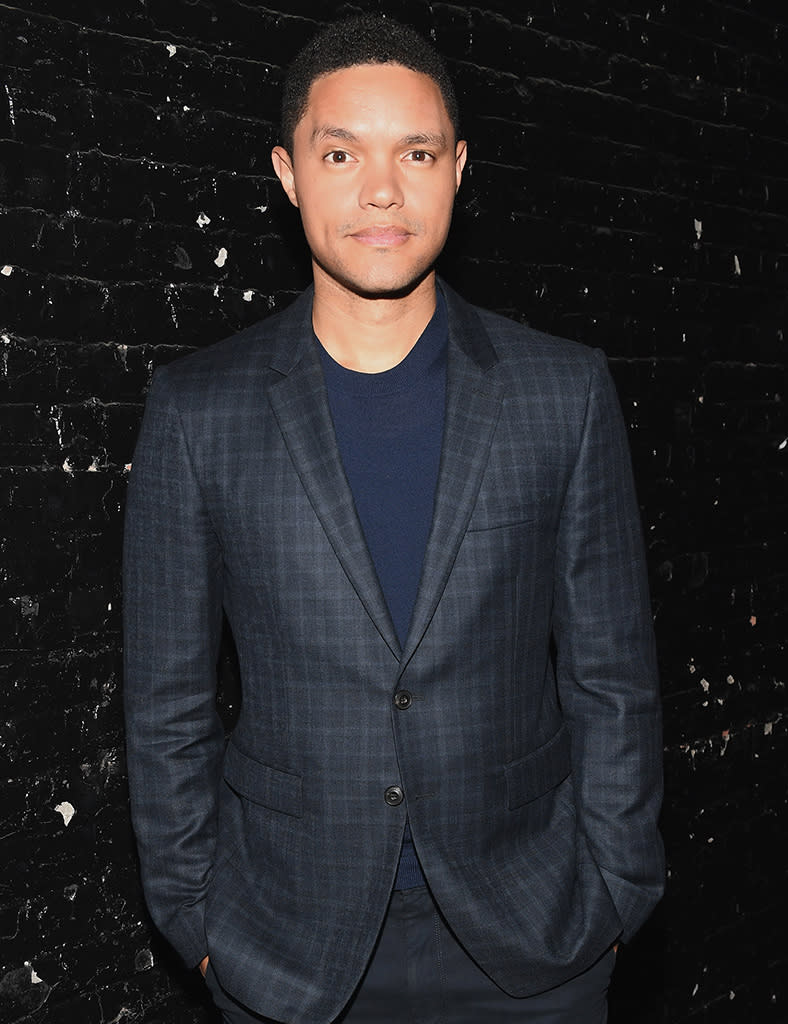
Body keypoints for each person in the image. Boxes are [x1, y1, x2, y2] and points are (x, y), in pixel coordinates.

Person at [123, 14, 664, 1024]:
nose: (381, 189)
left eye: (414, 152)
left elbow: (611, 678)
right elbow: (164, 706)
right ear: (288, 173)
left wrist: (617, 890)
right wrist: (197, 926)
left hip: (534, 944)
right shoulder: (200, 410)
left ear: (457, 168)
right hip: (287, 949)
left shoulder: (563, 392)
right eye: (341, 153)